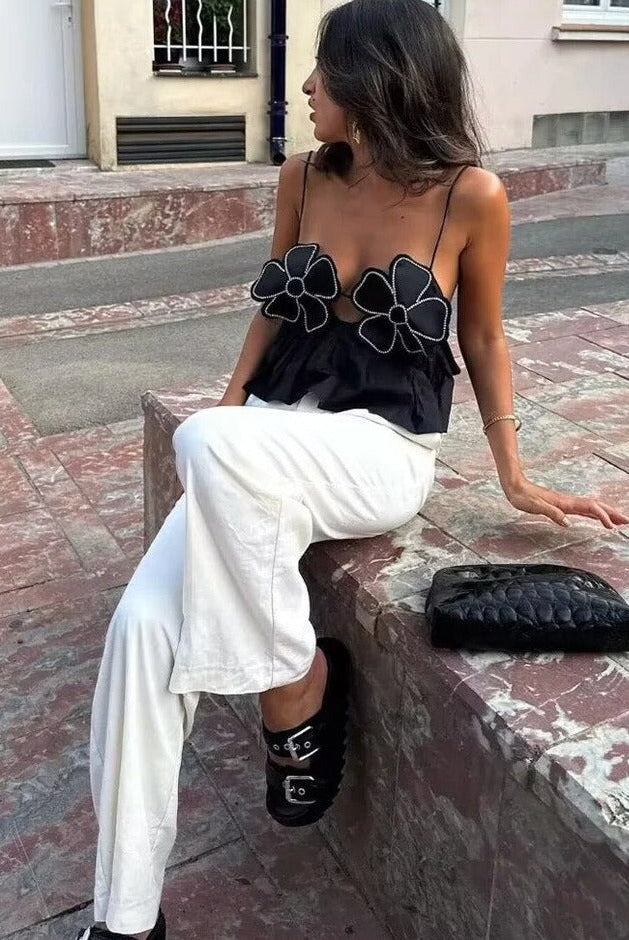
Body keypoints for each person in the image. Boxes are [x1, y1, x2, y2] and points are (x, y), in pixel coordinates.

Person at [77, 1, 629, 937]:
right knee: (138, 630)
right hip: (267, 436)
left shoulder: (470, 195)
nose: (305, 87)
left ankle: (293, 681)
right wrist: (231, 401)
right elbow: (272, 305)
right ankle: (125, 920)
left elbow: (483, 336)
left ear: (375, 81)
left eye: (321, 71)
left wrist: (513, 473)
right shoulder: (303, 176)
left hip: (379, 449)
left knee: (206, 444)